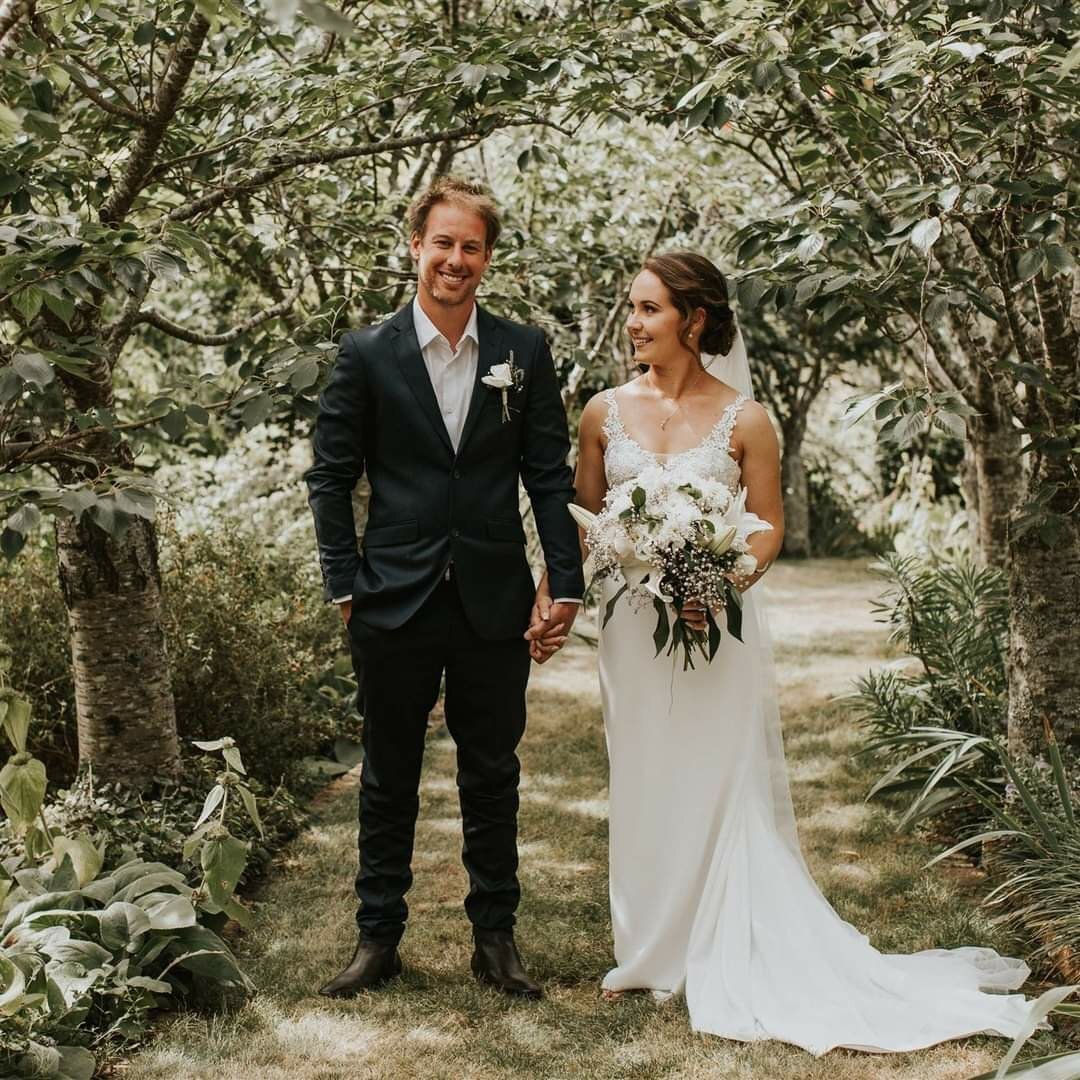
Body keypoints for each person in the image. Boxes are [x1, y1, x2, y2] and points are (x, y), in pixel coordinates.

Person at [543, 250, 1034, 1054]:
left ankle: (718, 940)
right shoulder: (601, 412)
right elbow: (583, 516)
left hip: (713, 628)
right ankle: (649, 950)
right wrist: (564, 590)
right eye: (631, 308)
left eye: (648, 310)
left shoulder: (748, 419)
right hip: (633, 630)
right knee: (641, 772)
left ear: (694, 319)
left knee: (713, 775)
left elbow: (764, 527)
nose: (632, 323)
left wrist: (711, 580)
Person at [305, 176, 583, 1000]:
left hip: (493, 598)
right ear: (415, 246)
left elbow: (547, 473)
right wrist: (343, 585)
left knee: (492, 773)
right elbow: (330, 476)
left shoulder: (522, 352)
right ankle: (376, 938)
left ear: (486, 258)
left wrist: (561, 582)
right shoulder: (366, 353)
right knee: (388, 774)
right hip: (391, 595)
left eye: (470, 247)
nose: (453, 260)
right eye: (442, 243)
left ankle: (495, 940)